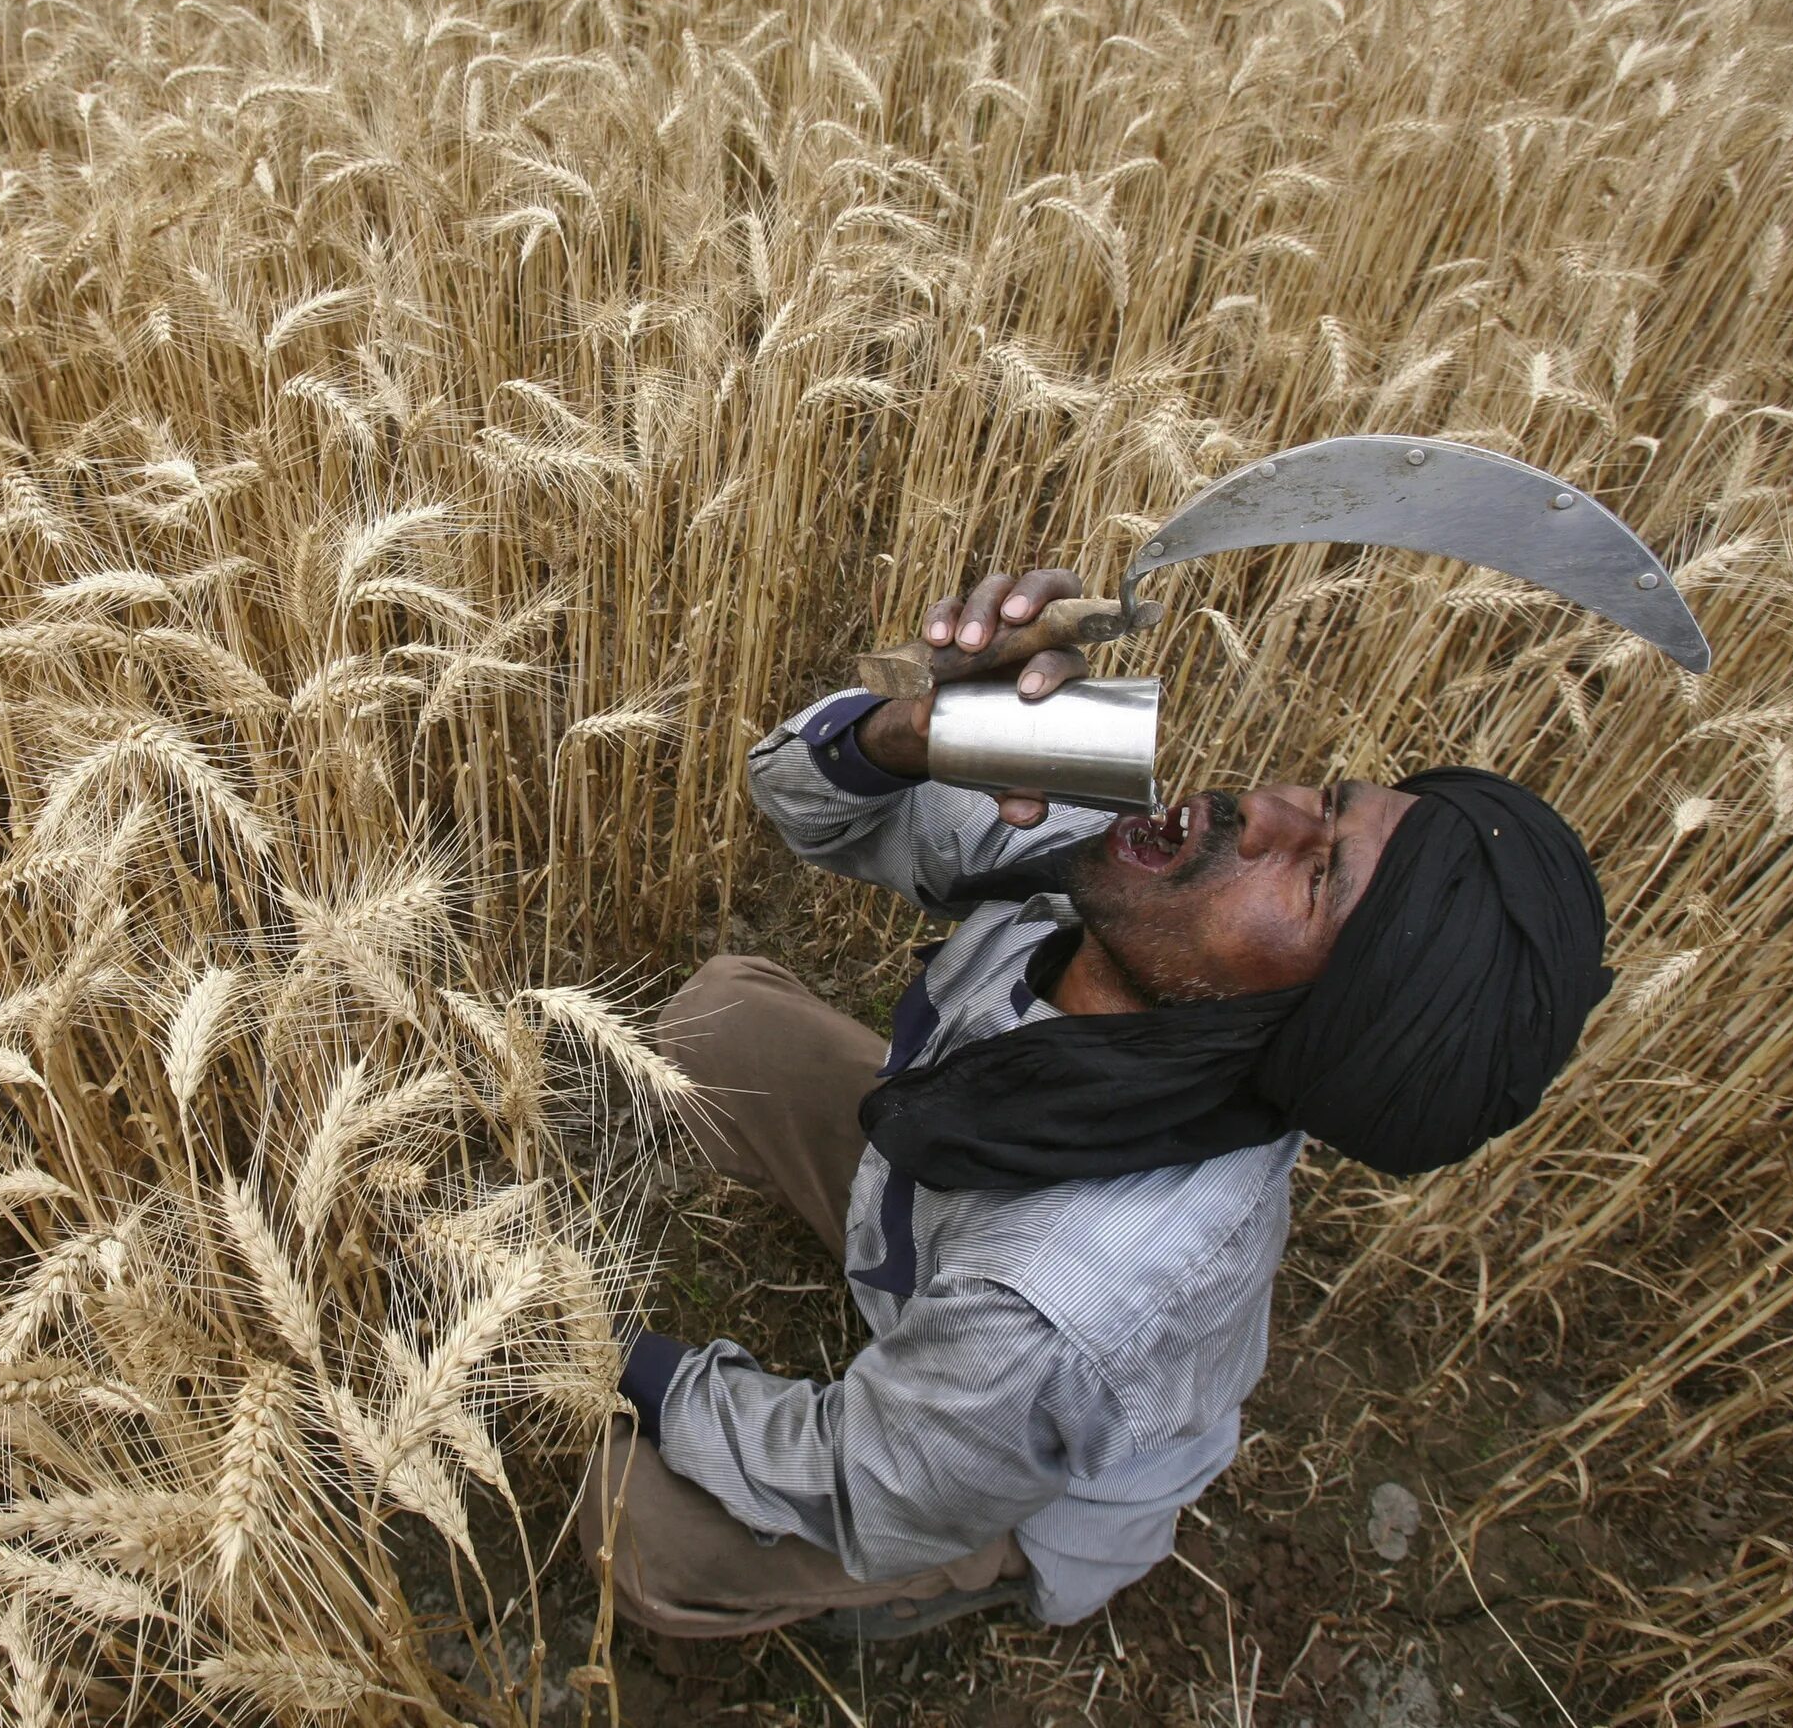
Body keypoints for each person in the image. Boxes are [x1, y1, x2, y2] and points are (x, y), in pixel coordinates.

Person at [584, 566, 1612, 1642]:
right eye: (1325, 799)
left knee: (634, 1520)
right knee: (717, 1018)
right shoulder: (1126, 873)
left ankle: (983, 1569)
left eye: (1314, 876)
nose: (1257, 805)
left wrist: (632, 1364)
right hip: (945, 1225)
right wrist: (923, 729)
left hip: (1029, 1446)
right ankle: (916, 1324)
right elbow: (796, 793)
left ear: (1304, 1021)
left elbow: (864, 1480)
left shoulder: (1068, 1297)